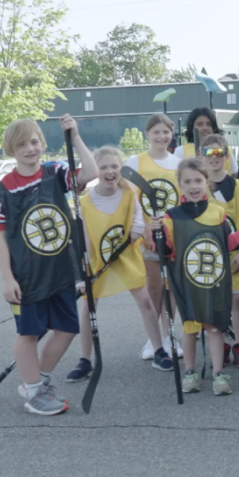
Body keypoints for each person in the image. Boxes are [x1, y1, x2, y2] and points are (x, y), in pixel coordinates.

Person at [0, 115, 98, 415]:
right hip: (27, 275)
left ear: (43, 143)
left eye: (34, 141)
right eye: (22, 144)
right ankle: (35, 390)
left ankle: (37, 380)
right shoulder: (3, 190)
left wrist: (75, 136)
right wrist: (7, 278)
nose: (29, 148)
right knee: (29, 333)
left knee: (67, 327)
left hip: (60, 270)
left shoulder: (55, 172)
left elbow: (91, 171)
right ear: (11, 149)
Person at [65, 146, 171, 382]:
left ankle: (159, 350)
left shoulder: (129, 193)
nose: (110, 171)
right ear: (96, 171)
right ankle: (84, 360)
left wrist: (137, 229)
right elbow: (81, 241)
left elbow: (138, 219)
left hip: (125, 255)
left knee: (145, 300)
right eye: (103, 167)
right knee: (88, 307)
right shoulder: (84, 203)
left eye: (114, 166)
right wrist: (83, 276)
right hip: (97, 259)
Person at [150, 158, 239, 397]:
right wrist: (158, 236)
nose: (193, 186)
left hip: (214, 283)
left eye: (198, 180)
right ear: (179, 185)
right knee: (190, 329)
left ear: (207, 182)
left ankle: (218, 373)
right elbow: (166, 252)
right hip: (187, 284)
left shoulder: (218, 213)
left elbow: (225, 243)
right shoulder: (171, 217)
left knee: (215, 328)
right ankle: (191, 371)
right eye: (187, 182)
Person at [125, 113, 182, 361]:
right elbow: (129, 201)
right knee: (154, 287)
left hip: (173, 235)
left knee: (172, 288)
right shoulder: (135, 162)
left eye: (166, 131)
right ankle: (154, 339)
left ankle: (169, 335)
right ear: (147, 134)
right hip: (148, 236)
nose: (161, 136)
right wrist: (144, 227)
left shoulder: (179, 162)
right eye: (156, 132)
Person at [202, 134, 239, 371]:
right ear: (202, 157)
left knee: (236, 299)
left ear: (226, 155)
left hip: (235, 254)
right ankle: (219, 345)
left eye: (219, 153)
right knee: (216, 303)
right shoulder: (199, 186)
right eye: (209, 153)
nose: (215, 158)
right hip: (210, 256)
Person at [174, 107, 239, 175]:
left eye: (209, 124)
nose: (205, 128)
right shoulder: (181, 151)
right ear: (192, 128)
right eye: (199, 124)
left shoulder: (225, 151)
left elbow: (235, 176)